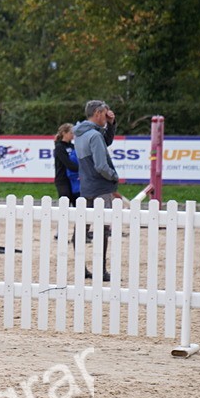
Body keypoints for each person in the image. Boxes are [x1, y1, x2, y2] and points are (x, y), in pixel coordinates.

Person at [73, 100, 121, 281]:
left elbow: (105, 141)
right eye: (105, 114)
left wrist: (111, 124)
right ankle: (101, 270)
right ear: (98, 113)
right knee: (103, 229)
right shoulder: (94, 135)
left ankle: (81, 268)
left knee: (81, 228)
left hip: (86, 185)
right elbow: (101, 165)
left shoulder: (80, 133)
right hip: (100, 187)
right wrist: (114, 176)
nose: (107, 117)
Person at [53, 122, 79, 204]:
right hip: (63, 179)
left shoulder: (73, 146)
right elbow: (68, 164)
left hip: (74, 178)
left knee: (77, 202)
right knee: (65, 203)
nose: (73, 135)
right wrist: (82, 170)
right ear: (64, 133)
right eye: (71, 133)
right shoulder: (59, 147)